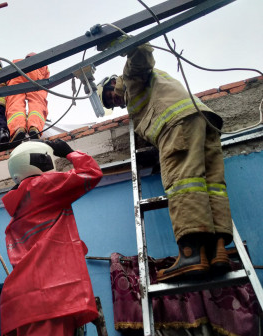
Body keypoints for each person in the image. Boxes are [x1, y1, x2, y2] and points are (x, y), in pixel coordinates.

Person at [97, 42, 233, 282]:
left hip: (177, 127)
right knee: (212, 185)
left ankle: (191, 255)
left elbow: (140, 52)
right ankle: (217, 250)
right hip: (204, 120)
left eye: (110, 96)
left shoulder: (129, 79)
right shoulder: (149, 85)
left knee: (183, 183)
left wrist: (118, 41)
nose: (114, 101)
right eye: (110, 104)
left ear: (112, 83)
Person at [0, 139, 102, 335]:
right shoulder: (42, 185)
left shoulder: (20, 202)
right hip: (50, 296)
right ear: (41, 160)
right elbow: (91, 173)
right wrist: (70, 153)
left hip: (26, 299)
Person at [5, 52, 50, 144]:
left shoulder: (16, 61)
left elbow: (7, 78)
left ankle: (18, 128)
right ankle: (35, 127)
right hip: (37, 73)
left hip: (18, 71)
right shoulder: (43, 66)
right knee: (37, 102)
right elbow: (46, 81)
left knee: (15, 101)